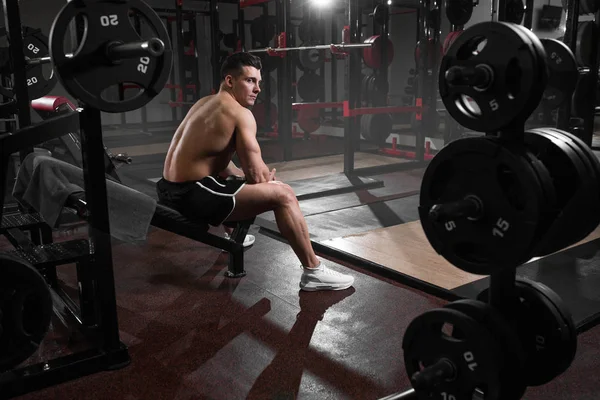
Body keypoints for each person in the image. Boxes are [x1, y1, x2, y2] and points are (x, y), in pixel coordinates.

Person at [156, 52, 354, 292]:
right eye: (250, 80)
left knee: (231, 177)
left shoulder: (204, 103)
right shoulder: (240, 114)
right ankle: (313, 272)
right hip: (192, 195)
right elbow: (257, 177)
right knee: (284, 195)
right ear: (230, 81)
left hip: (168, 188)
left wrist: (248, 179)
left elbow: (217, 163)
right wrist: (266, 183)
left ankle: (231, 237)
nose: (257, 88)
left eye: (259, 82)